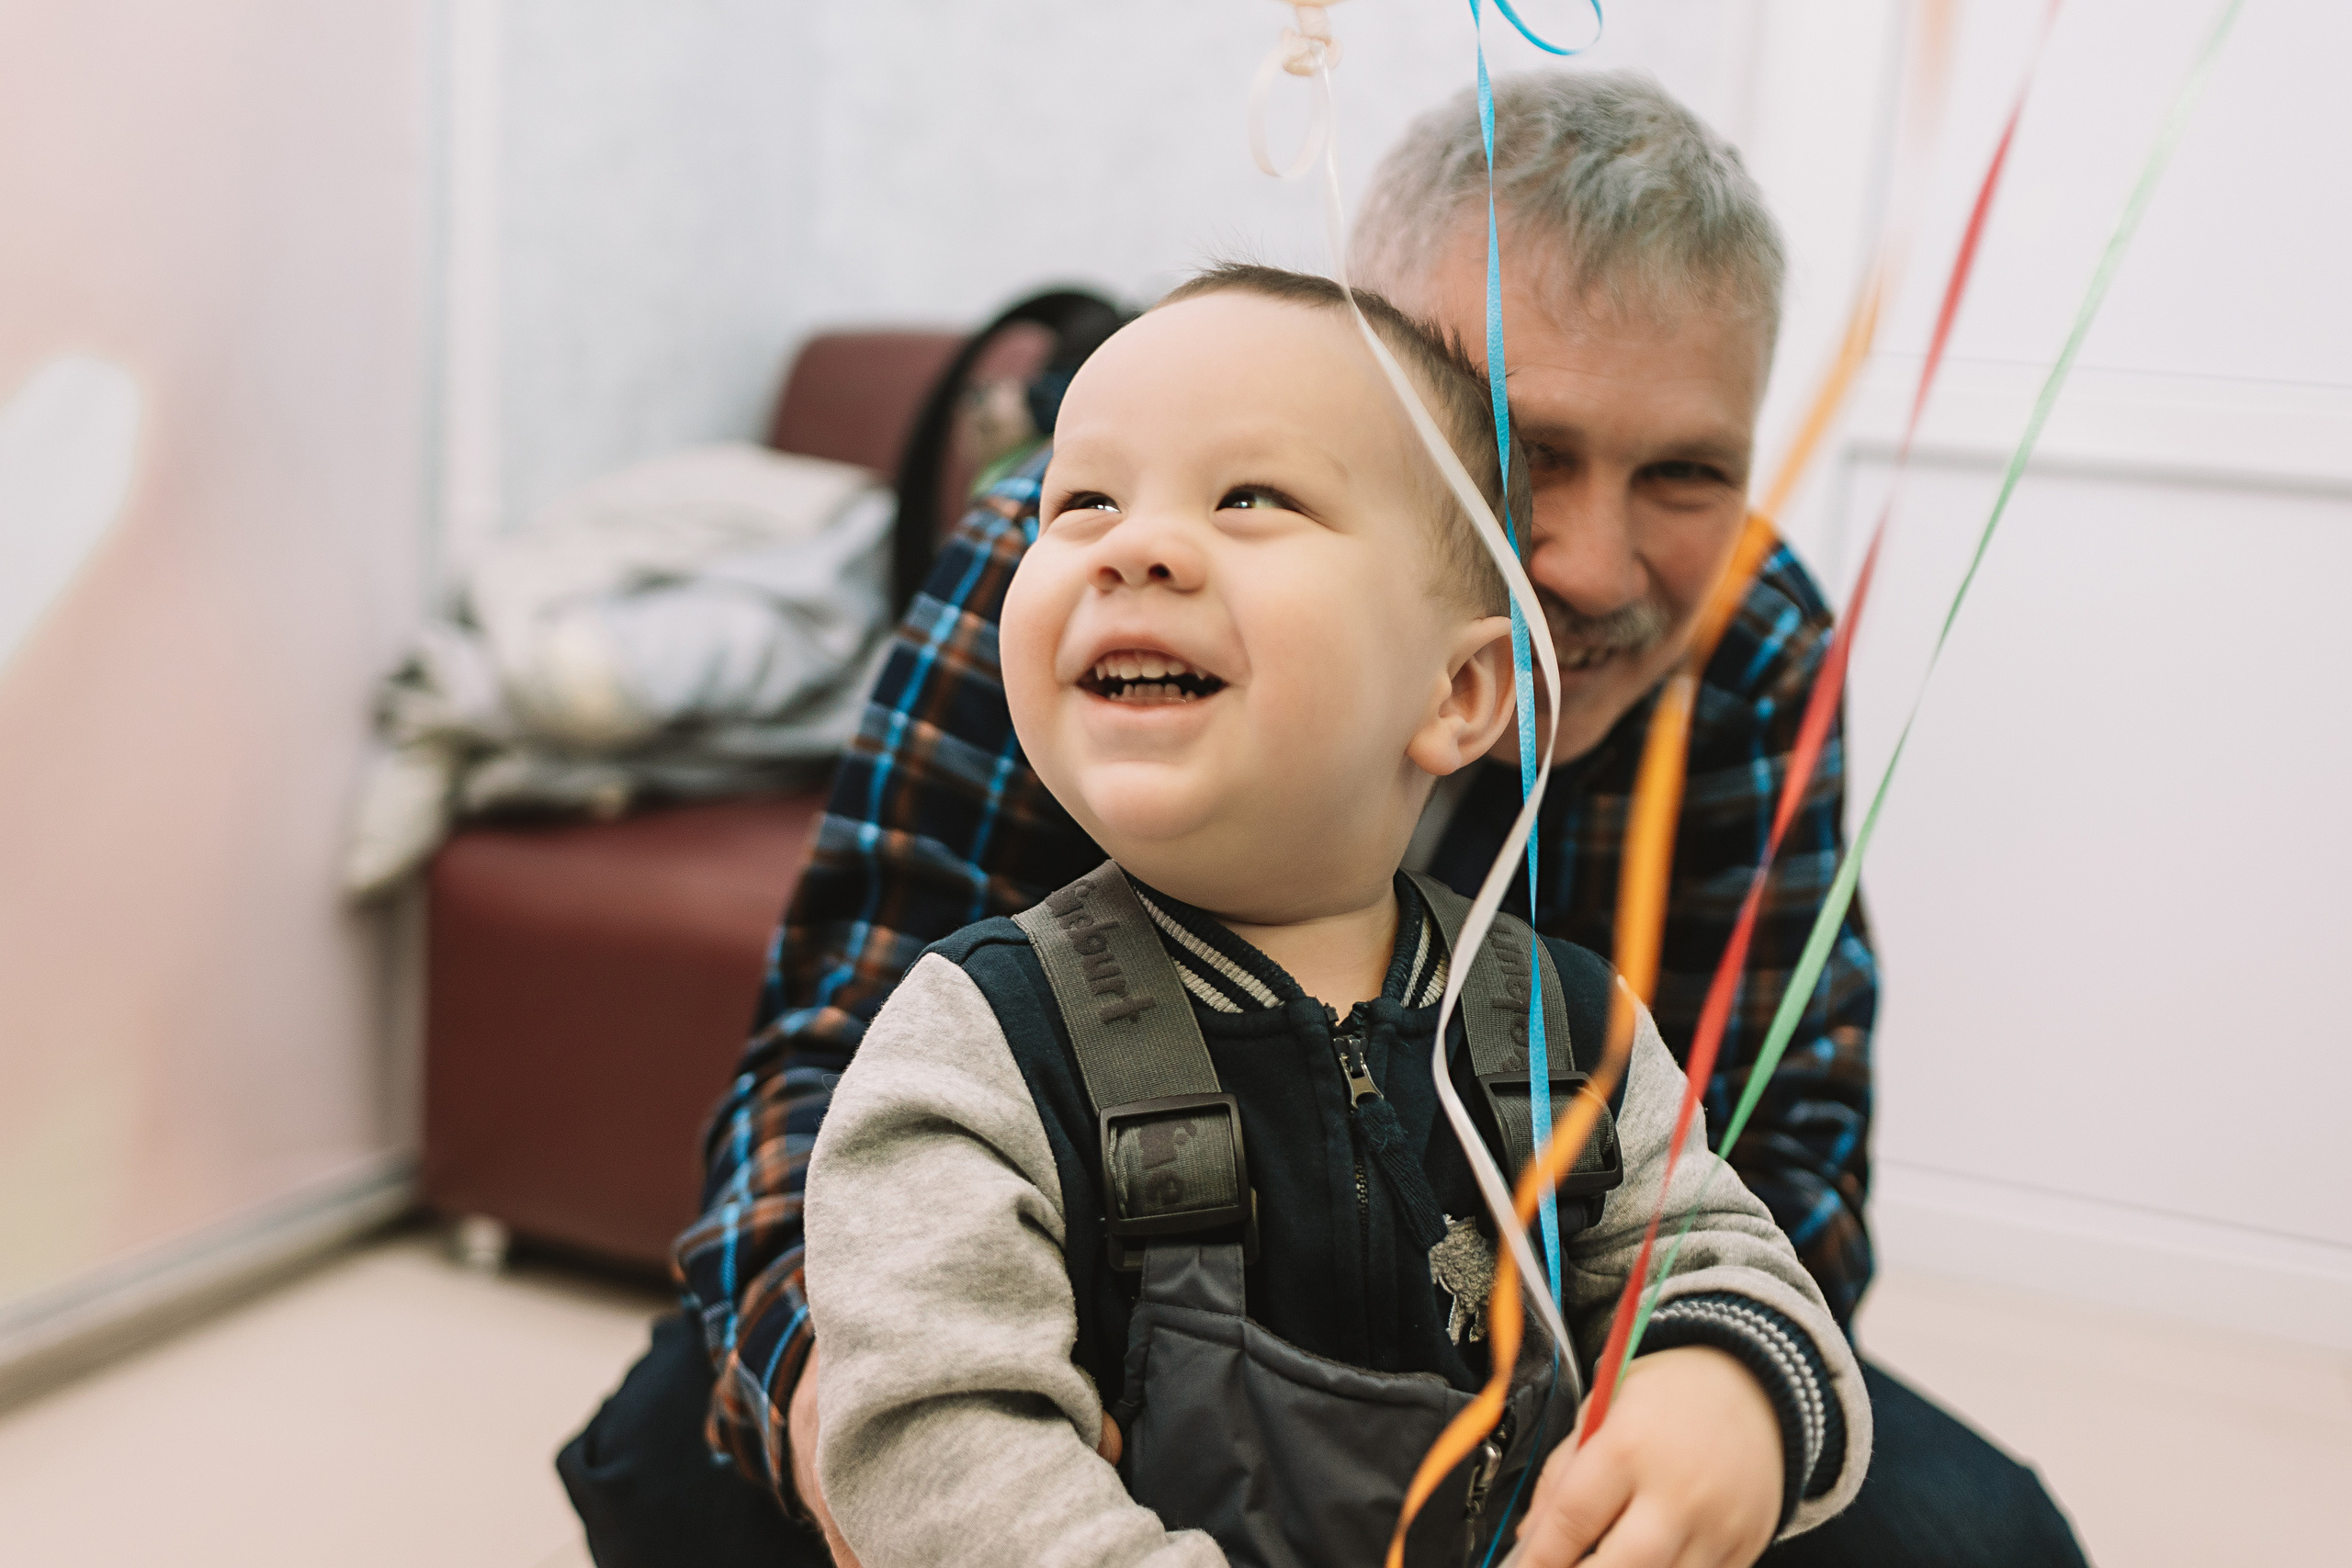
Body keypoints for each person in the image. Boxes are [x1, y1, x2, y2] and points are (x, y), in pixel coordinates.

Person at [560, 69, 2086, 1568]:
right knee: (685, 1460)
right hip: (1080, 1331)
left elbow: (1777, 1153)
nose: (1607, 570)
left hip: (1522, 1366)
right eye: (1530, 455)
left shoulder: (1745, 649)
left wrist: (1717, 1396)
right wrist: (889, 1412)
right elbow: (830, 1060)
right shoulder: (1078, 598)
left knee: (1984, 1540)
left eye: (1686, 473)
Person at [801, 265, 1869, 1568]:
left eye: (1250, 497)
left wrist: (1735, 1394)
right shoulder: (973, 1047)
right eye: (1079, 500)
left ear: (1466, 690)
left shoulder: (1569, 1028)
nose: (1133, 543)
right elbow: (931, 1439)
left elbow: (1722, 1253)